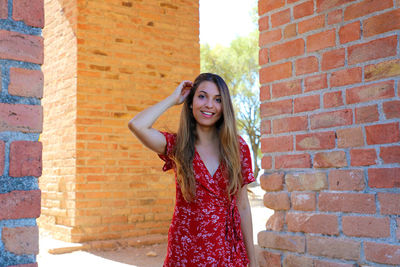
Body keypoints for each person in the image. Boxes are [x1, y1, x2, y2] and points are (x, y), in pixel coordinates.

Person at [128, 73, 257, 267]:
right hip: (186, 251)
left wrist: (253, 262)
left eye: (218, 99)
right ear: (190, 101)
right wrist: (173, 99)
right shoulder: (178, 145)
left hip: (227, 252)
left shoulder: (237, 148)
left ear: (224, 107)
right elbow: (137, 125)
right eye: (202, 96)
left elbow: (243, 206)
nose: (209, 105)